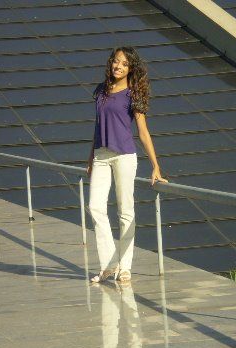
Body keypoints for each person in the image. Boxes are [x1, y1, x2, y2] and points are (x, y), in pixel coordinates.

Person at [87, 46, 167, 284]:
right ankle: (109, 264)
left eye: (123, 63)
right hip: (101, 155)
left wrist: (155, 166)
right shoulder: (102, 90)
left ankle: (125, 267)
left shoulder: (133, 94)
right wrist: (90, 159)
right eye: (115, 61)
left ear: (130, 68)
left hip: (124, 156)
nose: (118, 66)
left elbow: (143, 131)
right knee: (95, 207)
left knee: (125, 212)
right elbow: (97, 127)